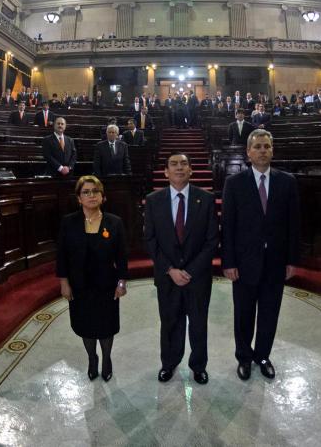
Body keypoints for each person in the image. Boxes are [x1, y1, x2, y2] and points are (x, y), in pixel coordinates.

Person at [222, 130, 300, 381]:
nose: (263, 150)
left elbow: (293, 224)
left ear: (272, 150)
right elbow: (228, 226)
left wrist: (292, 259)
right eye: (257, 147)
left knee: (269, 313)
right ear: (248, 152)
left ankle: (263, 356)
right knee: (243, 314)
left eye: (267, 146)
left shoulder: (287, 181)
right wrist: (228, 262)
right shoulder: (234, 183)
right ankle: (244, 357)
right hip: (244, 262)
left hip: (276, 262)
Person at [144, 154, 218, 385]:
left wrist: (190, 270)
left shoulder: (206, 199)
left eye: (184, 164)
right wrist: (170, 270)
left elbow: (212, 240)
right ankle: (169, 363)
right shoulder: (153, 200)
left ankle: (198, 366)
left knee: (198, 323)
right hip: (167, 277)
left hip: (198, 277)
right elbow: (150, 240)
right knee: (170, 322)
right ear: (166, 172)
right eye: (174, 164)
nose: (179, 167)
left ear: (191, 170)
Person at [56, 176, 128, 382]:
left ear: (103, 196)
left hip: (106, 285)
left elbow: (122, 257)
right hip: (79, 286)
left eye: (95, 191)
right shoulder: (68, 222)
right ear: (79, 198)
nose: (91, 195)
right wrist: (64, 283)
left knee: (106, 326)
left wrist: (121, 282)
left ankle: (106, 359)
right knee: (85, 325)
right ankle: (92, 358)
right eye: (86, 192)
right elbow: (61, 255)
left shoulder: (114, 222)